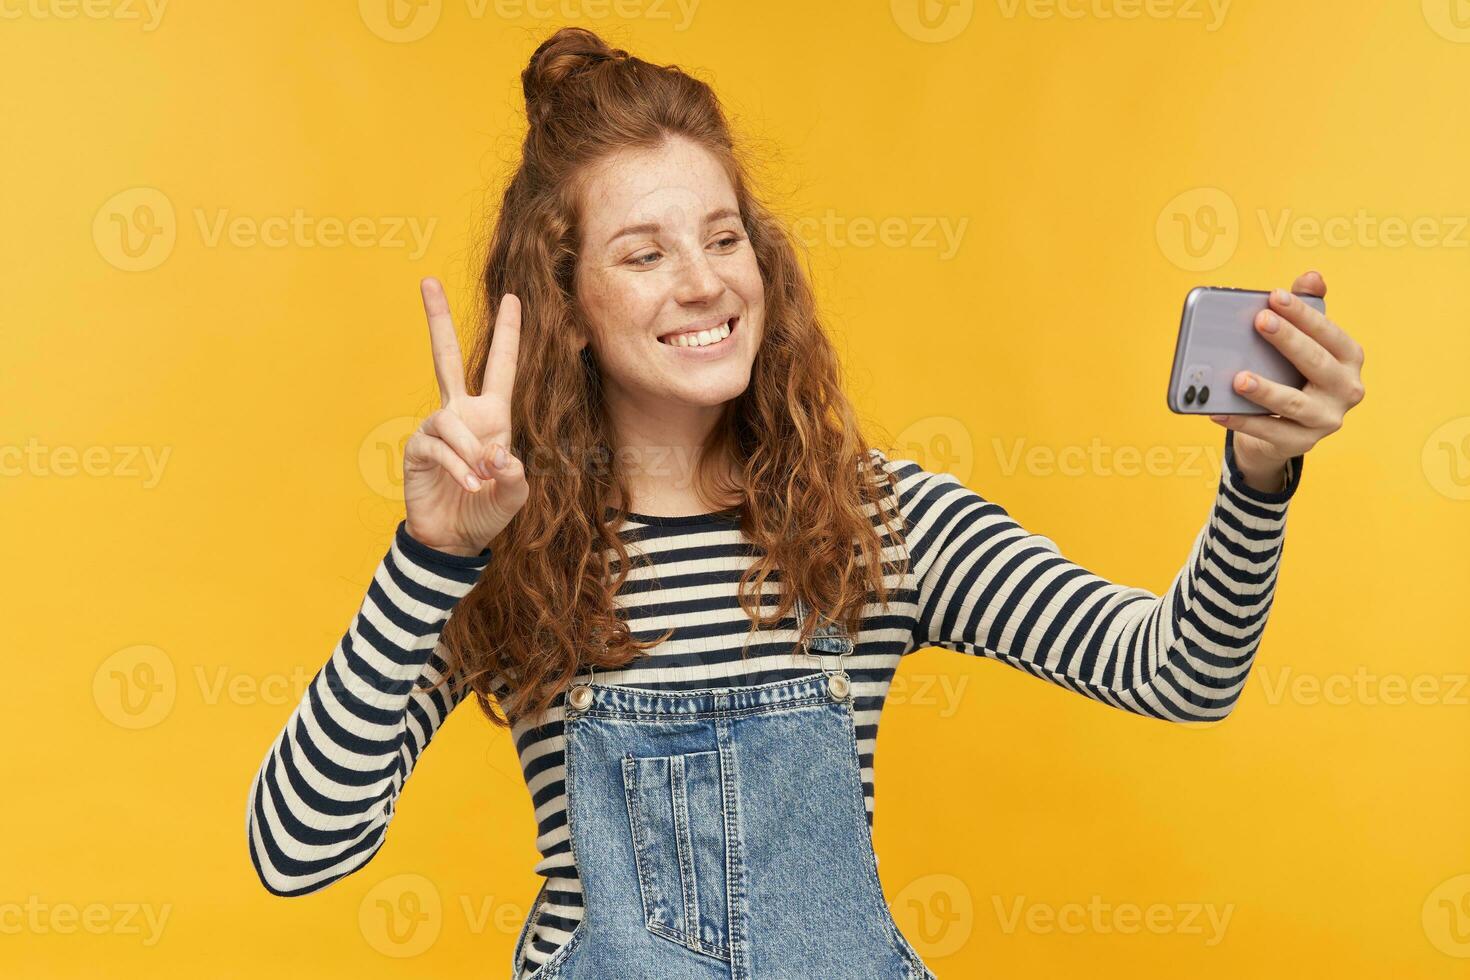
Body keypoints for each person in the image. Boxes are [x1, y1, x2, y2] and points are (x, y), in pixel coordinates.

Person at [243, 26, 1366, 980]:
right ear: (569, 305)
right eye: (644, 253)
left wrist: (1258, 479)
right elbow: (295, 849)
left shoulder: (878, 519)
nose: (704, 282)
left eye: (724, 237)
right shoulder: (506, 547)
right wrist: (431, 556)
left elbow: (1177, 674)